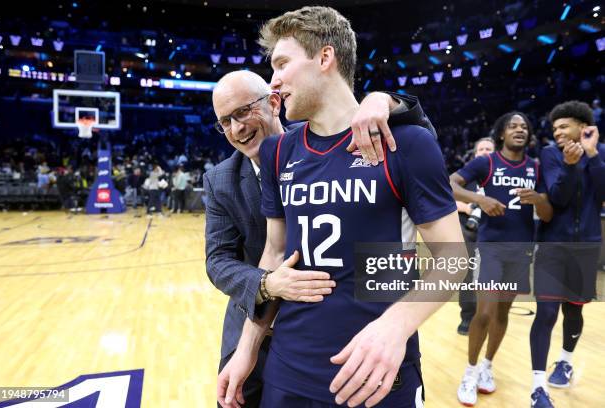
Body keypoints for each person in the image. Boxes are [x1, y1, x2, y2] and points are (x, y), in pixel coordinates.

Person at [217, 6, 465, 408]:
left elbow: (454, 257)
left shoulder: (406, 144)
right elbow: (275, 254)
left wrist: (395, 327)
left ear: (325, 58)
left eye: (282, 64)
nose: (274, 82)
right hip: (287, 371)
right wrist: (247, 347)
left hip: (377, 374)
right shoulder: (278, 151)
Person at [205, 68, 431, 407]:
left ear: (274, 103)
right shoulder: (220, 180)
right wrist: (269, 284)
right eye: (225, 121)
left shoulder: (334, 138)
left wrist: (384, 100)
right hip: (259, 326)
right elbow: (218, 260)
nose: (237, 128)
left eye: (243, 112)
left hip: (341, 328)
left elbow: (418, 138)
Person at [450, 112, 553, 406]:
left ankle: (487, 367)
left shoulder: (536, 168)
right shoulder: (487, 162)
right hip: (491, 247)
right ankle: (469, 373)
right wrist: (479, 199)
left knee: (503, 314)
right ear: (501, 134)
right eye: (513, 126)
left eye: (524, 126)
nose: (519, 130)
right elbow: (451, 183)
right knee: (483, 313)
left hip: (520, 250)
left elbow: (547, 215)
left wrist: (540, 200)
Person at [529, 101, 605, 408]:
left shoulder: (599, 152)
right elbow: (557, 198)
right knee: (546, 314)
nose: (558, 132)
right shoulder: (549, 155)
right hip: (552, 246)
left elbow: (603, 196)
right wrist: (570, 166)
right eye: (555, 127)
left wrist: (593, 157)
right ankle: (537, 388)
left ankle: (565, 360)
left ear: (582, 126)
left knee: (574, 311)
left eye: (564, 126)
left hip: (585, 248)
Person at [455, 137, 495, 335]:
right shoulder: (466, 177)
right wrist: (465, 207)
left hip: (494, 231)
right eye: (482, 149)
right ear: (475, 153)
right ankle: (467, 317)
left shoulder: (500, 176)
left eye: (489, 148)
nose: (485, 151)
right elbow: (445, 198)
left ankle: (490, 316)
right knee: (468, 277)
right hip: (468, 231)